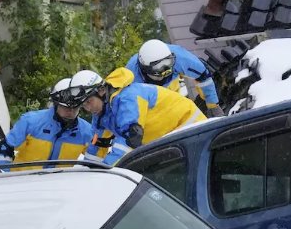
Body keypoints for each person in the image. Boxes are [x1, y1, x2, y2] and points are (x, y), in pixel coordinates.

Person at [67, 68, 205, 164]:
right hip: (174, 142)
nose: (88, 108)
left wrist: (105, 170)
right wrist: (88, 170)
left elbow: (130, 140)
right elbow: (97, 145)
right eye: (83, 106)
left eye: (89, 102)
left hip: (193, 131)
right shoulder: (101, 114)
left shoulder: (128, 99)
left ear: (101, 91)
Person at [0, 77, 94, 168]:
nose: (70, 111)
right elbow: (6, 146)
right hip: (21, 182)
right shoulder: (30, 121)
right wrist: (3, 173)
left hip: (57, 186)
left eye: (75, 107)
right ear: (56, 103)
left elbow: (95, 160)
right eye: (65, 106)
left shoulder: (88, 132)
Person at [126, 38, 224, 117]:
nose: (166, 70)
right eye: (159, 66)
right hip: (148, 101)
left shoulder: (182, 59)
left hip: (172, 91)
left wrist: (213, 105)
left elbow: (204, 78)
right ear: (145, 68)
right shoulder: (131, 78)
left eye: (168, 63)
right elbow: (129, 107)